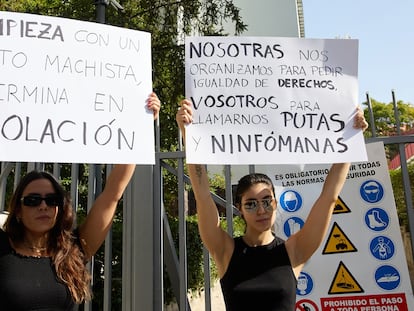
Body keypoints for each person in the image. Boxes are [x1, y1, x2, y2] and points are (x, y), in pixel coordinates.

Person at [176, 99, 368, 311]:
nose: (261, 210)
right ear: (239, 208)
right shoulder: (226, 251)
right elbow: (202, 196)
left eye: (267, 202)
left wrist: (351, 138)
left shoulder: (295, 250)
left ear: (276, 204)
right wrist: (188, 134)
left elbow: (329, 198)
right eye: (251, 204)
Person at [0, 92, 160, 310]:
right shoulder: (3, 248)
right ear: (18, 210)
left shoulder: (73, 250)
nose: (43, 205)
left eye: (52, 199)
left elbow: (113, 193)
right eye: (33, 200)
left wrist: (140, 126)